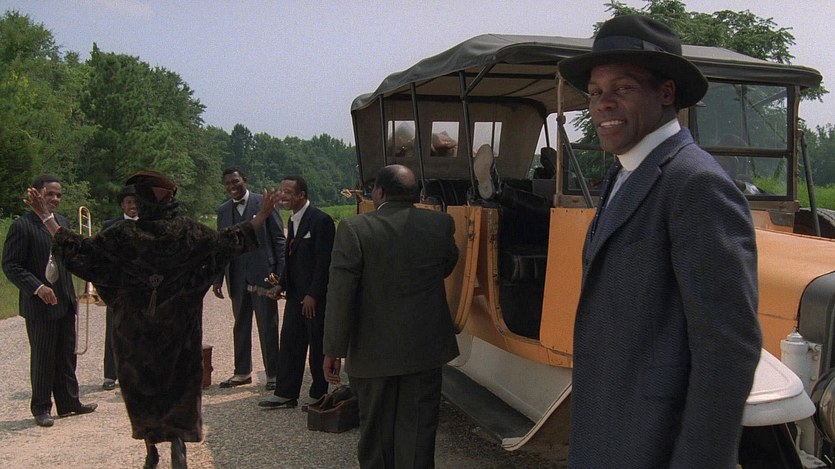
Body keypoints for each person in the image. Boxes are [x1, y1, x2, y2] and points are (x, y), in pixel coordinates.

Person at [557, 15, 762, 468]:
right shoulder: (626, 174)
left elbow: (727, 349)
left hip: (656, 443)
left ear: (666, 93)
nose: (603, 104)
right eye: (595, 92)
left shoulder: (694, 183)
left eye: (623, 88)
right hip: (614, 432)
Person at [25, 170, 281, 469]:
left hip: (134, 331)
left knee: (142, 389)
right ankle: (177, 441)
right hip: (179, 330)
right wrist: (262, 216)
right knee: (179, 386)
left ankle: (151, 447)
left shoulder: (123, 235)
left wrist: (47, 218)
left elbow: (81, 251)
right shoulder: (187, 232)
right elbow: (227, 242)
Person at [323, 164, 460, 468]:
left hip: (372, 353)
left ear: (379, 192)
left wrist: (333, 349)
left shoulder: (354, 229)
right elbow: (447, 265)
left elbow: (340, 294)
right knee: (419, 434)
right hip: (424, 350)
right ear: (416, 194)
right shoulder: (440, 224)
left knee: (376, 435)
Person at [2, 174, 97, 428]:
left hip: (65, 300)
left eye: (58, 195)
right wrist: (37, 287)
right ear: (37, 194)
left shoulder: (62, 223)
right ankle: (42, 407)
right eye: (50, 194)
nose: (55, 199)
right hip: (40, 305)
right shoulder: (22, 226)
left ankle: (69, 403)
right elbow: (11, 265)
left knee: (67, 355)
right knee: (43, 357)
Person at [259, 176, 334, 408]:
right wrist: (281, 284)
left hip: (314, 299)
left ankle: (318, 394)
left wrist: (314, 295)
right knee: (290, 343)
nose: (282, 196)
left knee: (317, 346)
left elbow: (325, 263)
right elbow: (290, 259)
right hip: (294, 296)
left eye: (288, 192)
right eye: (281, 191)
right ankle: (285, 393)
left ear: (302, 195)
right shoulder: (292, 220)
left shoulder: (321, 221)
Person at [212, 167, 284, 390]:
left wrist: (280, 274)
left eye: (235, 181)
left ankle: (273, 374)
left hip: (263, 275)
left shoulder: (263, 203)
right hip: (236, 275)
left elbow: (279, 240)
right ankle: (242, 372)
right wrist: (217, 278)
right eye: (227, 183)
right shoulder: (223, 210)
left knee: (267, 325)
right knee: (240, 325)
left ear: (244, 179)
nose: (232, 186)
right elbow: (221, 246)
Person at [99, 185, 139, 391]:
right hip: (117, 287)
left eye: (136, 202)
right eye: (129, 202)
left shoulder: (150, 224)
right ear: (122, 205)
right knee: (114, 331)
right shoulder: (109, 226)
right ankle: (110, 375)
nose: (133, 206)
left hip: (142, 287)